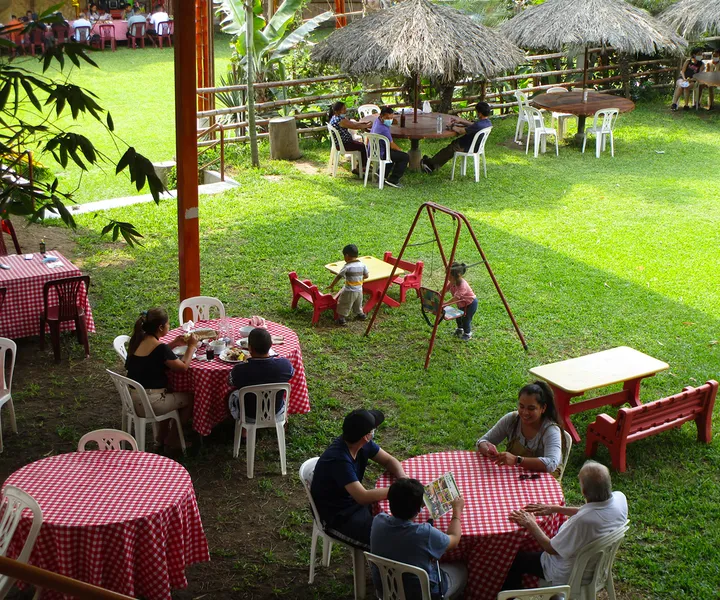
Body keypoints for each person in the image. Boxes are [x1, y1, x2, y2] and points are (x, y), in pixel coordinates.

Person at [502, 461, 628, 591]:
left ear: (584, 492)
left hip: (568, 573)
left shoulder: (582, 522)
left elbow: (550, 548)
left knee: (513, 560)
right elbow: (590, 510)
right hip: (596, 565)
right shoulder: (620, 499)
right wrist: (555, 508)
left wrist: (531, 523)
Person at [311, 408, 407, 549]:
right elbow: (362, 496)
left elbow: (389, 461)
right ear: (367, 436)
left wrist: (403, 478)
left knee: (400, 523)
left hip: (354, 504)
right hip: (339, 517)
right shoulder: (339, 460)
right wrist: (399, 490)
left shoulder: (361, 444)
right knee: (390, 541)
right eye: (374, 428)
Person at [371, 478, 468, 600]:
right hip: (420, 594)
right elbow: (454, 539)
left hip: (386, 587)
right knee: (462, 569)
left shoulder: (378, 520)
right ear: (418, 509)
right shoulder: (425, 534)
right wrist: (457, 511)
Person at [125, 308, 197, 449]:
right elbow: (182, 367)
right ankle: (172, 439)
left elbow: (152, 355)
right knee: (190, 398)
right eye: (168, 324)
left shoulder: (137, 340)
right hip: (151, 402)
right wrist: (192, 346)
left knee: (171, 392)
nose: (169, 326)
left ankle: (161, 437)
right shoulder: (161, 348)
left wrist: (174, 343)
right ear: (160, 327)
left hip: (132, 399)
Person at [476, 381, 564, 477]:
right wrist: (487, 450)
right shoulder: (512, 420)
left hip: (541, 482)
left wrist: (516, 460)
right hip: (514, 478)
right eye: (521, 406)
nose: (525, 412)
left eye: (531, 408)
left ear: (543, 408)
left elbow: (551, 463)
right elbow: (482, 441)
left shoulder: (550, 430)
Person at [227, 327, 293, 422]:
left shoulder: (240, 370)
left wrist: (244, 362)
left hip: (249, 415)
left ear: (249, 348)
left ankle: (244, 430)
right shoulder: (285, 365)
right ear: (270, 345)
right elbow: (291, 374)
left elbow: (229, 382)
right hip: (276, 412)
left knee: (232, 395)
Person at [421, 102, 492, 173]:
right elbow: (473, 125)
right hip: (476, 147)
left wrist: (451, 126)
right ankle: (432, 163)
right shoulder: (487, 123)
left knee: (447, 150)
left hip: (465, 146)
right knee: (448, 149)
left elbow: (461, 131)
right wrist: (461, 121)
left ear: (480, 113)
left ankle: (430, 164)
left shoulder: (478, 125)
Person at [367, 106, 409, 188]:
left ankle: (381, 174)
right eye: (387, 118)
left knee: (393, 154)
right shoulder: (384, 129)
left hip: (373, 150)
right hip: (381, 153)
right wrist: (400, 150)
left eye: (391, 118)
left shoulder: (377, 121)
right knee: (404, 157)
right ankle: (393, 180)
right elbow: (392, 145)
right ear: (381, 116)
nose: (389, 120)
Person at [327, 243, 368, 326]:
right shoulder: (362, 265)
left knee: (343, 304)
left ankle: (341, 319)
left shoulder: (347, 267)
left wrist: (332, 285)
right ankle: (361, 315)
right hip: (359, 290)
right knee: (358, 303)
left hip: (349, 290)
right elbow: (366, 276)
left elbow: (339, 276)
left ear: (346, 256)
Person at [328, 101, 370, 174]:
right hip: (344, 144)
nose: (345, 110)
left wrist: (364, 123)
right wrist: (368, 126)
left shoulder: (336, 117)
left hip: (342, 142)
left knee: (361, 145)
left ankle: (362, 165)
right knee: (363, 147)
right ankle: (361, 168)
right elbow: (354, 126)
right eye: (343, 109)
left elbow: (353, 123)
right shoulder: (340, 120)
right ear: (337, 111)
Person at [448, 261, 477, 341]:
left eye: (449, 276)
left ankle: (468, 333)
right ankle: (460, 329)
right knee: (458, 317)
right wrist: (438, 294)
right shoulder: (452, 282)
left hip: (470, 304)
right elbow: (445, 289)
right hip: (462, 304)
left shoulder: (462, 286)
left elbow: (455, 298)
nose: (447, 278)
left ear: (458, 276)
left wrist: (444, 304)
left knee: (466, 319)